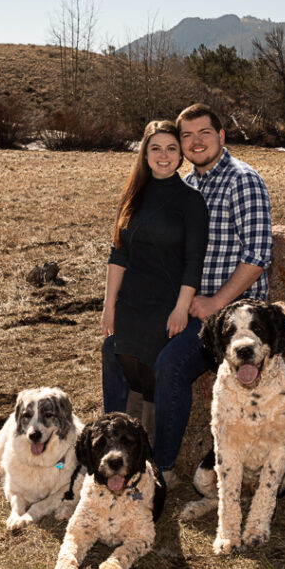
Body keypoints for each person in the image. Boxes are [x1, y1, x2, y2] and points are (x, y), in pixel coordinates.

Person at [102, 104, 273, 485]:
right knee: (116, 347)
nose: (195, 142)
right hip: (188, 302)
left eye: (204, 134)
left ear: (221, 136)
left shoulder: (242, 180)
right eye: (188, 136)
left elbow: (258, 255)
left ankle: (160, 467)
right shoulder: (190, 183)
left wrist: (214, 304)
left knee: (169, 365)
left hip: (230, 314)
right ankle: (112, 447)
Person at [102, 120, 209, 447]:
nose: (164, 155)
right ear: (145, 153)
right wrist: (108, 307)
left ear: (180, 155)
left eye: (171, 148)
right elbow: (118, 254)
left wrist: (180, 310)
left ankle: (151, 454)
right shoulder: (132, 194)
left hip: (166, 305)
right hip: (132, 303)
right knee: (120, 358)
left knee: (152, 371)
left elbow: (194, 261)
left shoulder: (191, 200)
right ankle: (118, 445)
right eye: (156, 148)